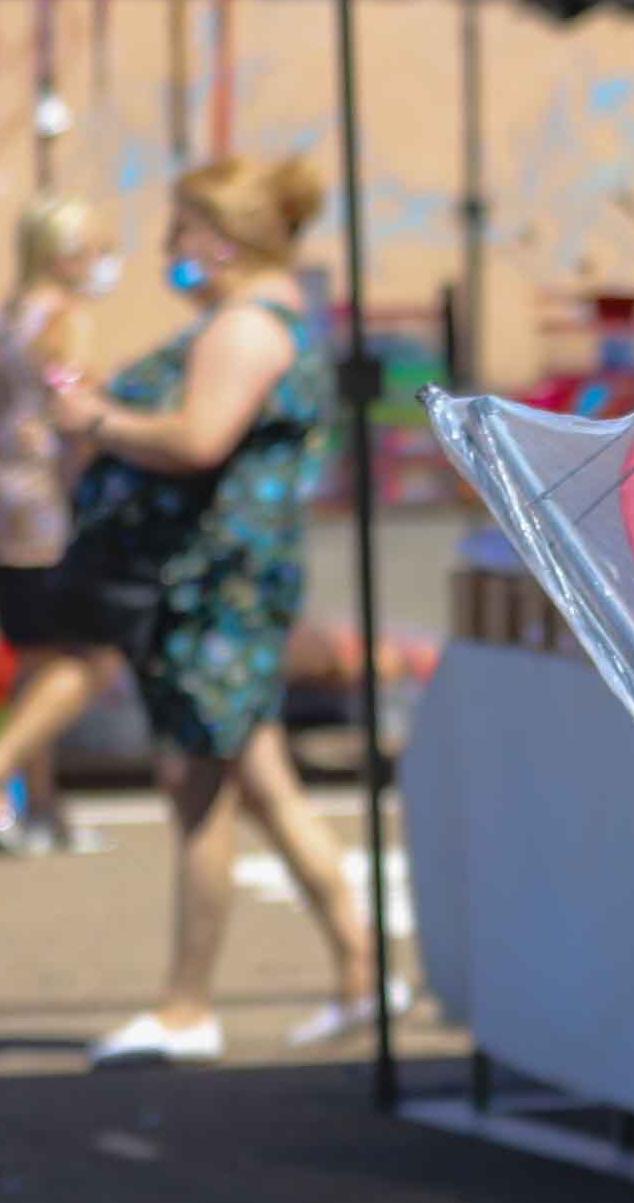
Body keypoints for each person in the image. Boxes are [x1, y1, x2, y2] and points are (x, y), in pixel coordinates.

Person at [29, 158, 388, 1067]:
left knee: (198, 797)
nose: (166, 249)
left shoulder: (242, 327)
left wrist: (99, 422)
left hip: (214, 592)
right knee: (264, 783)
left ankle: (187, 1007)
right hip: (232, 586)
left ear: (218, 239)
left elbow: (198, 439)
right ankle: (363, 966)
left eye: (179, 230)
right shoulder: (271, 319)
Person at [0, 195, 123, 855]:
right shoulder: (62, 320)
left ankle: (40, 809)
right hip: (45, 505)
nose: (105, 264)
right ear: (64, 255)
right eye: (98, 250)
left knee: (39, 659)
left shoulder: (3, 318)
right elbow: (74, 412)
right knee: (95, 658)